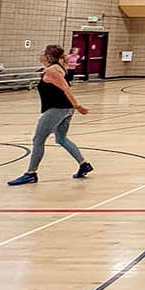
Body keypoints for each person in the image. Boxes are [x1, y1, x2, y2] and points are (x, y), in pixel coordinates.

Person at [7, 44, 93, 186]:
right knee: (61, 138)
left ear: (47, 56)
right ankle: (84, 164)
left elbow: (66, 88)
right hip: (65, 108)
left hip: (57, 109)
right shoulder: (55, 68)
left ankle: (30, 173)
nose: (39, 55)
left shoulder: (52, 70)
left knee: (38, 140)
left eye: (42, 52)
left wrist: (78, 106)